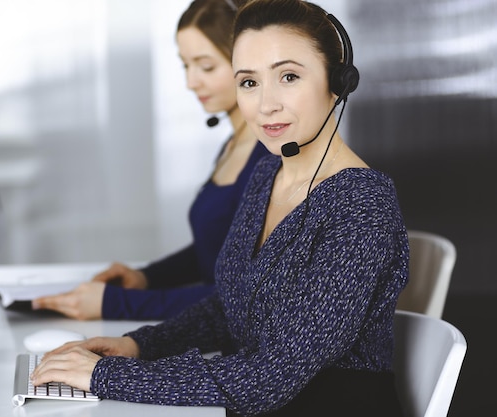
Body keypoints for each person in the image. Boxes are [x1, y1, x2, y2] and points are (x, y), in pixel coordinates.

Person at [31, 1, 409, 416]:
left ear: (338, 82)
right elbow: (230, 305)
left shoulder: (362, 205)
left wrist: (104, 376)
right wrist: (139, 345)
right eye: (249, 82)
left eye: (288, 76)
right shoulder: (268, 173)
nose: (266, 104)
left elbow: (268, 378)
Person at [32, 0, 267, 321]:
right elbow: (216, 252)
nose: (190, 82)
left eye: (206, 66)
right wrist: (146, 278)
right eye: (185, 65)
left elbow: (237, 296)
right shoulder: (235, 144)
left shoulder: (268, 159)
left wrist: (113, 303)